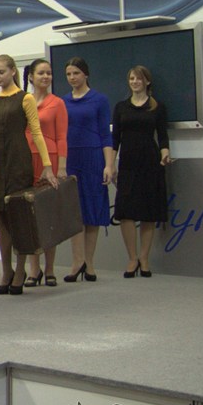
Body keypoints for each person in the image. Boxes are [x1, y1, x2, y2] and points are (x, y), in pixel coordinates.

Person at [0, 54, 57, 295]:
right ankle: (6, 270)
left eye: (1, 72)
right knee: (1, 217)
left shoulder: (25, 98)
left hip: (18, 160)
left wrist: (47, 165)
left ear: (12, 71)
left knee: (17, 216)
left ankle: (20, 270)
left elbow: (36, 133)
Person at [112, 65, 170, 278]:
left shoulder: (157, 107)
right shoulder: (120, 107)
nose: (135, 82)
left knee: (148, 211)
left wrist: (165, 153)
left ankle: (144, 258)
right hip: (127, 164)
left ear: (147, 81)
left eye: (138, 78)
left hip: (150, 163)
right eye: (131, 79)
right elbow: (115, 139)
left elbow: (162, 136)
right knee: (125, 211)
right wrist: (110, 164)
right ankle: (132, 258)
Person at [62, 57, 114, 282]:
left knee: (91, 210)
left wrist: (109, 165)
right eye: (68, 74)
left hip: (93, 157)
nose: (72, 77)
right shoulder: (63, 101)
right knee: (75, 211)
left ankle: (89, 263)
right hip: (71, 158)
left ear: (86, 74)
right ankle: (77, 261)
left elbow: (105, 134)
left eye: (76, 73)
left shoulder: (99, 99)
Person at [23, 59, 68, 288]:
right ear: (31, 76)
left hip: (48, 159)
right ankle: (34, 268)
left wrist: (61, 167)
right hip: (26, 159)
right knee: (29, 215)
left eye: (49, 73)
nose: (46, 77)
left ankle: (49, 268)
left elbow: (62, 137)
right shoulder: (24, 100)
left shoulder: (57, 103)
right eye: (41, 73)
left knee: (48, 214)